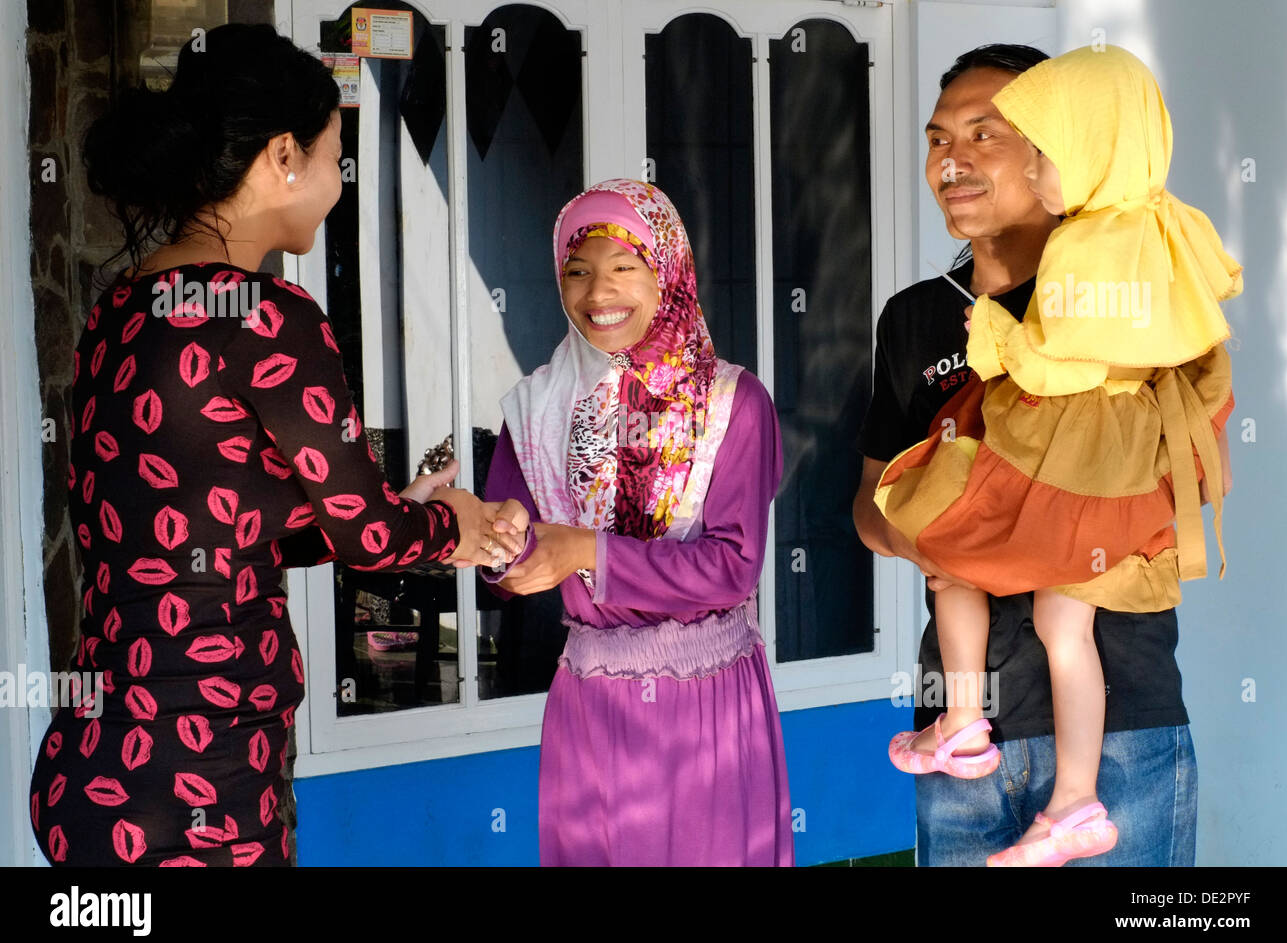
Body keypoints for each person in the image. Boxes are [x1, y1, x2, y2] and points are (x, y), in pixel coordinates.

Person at [28, 24, 525, 866]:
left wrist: (398, 510)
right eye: (336, 154)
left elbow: (219, 533)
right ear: (284, 154)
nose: (338, 183)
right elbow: (372, 545)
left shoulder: (120, 307)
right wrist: (459, 529)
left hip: (90, 776)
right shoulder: (266, 317)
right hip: (198, 783)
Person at [873, 45, 1238, 866]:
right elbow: (871, 506)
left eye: (988, 135)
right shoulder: (913, 317)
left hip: (1124, 733)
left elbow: (1171, 462)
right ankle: (957, 719)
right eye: (937, 139)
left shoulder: (1138, 289)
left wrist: (998, 522)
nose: (951, 161)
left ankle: (1072, 801)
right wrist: (950, 536)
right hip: (963, 727)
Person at [481, 179, 793, 866]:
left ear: (669, 272)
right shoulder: (540, 407)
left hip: (702, 701)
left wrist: (585, 552)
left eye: (625, 267)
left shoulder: (730, 404)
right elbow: (512, 565)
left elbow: (730, 568)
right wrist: (487, 542)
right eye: (578, 271)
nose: (599, 294)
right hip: (588, 702)